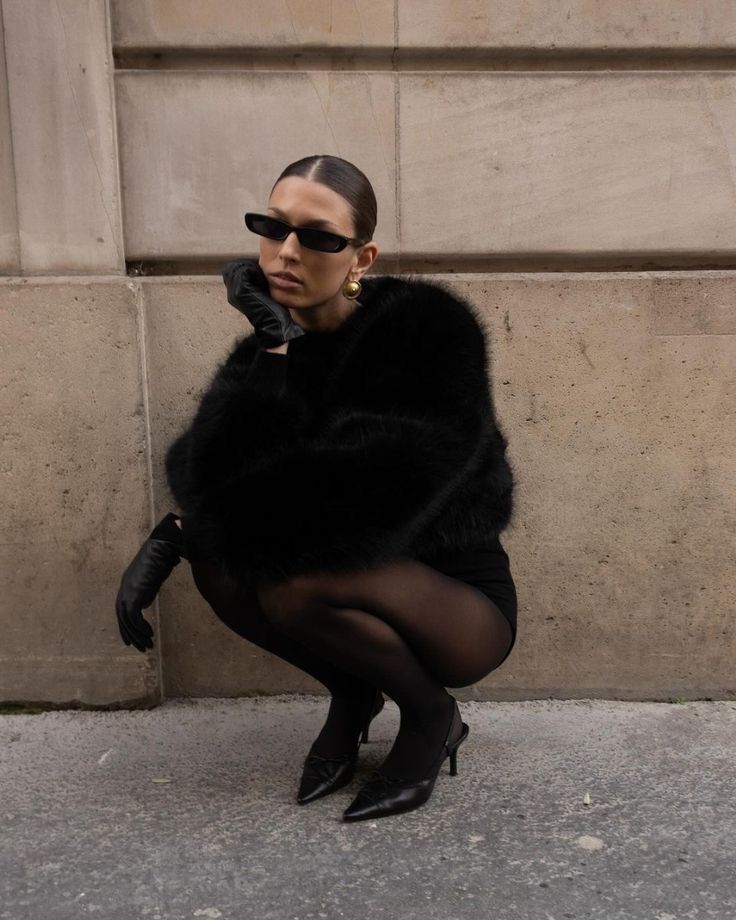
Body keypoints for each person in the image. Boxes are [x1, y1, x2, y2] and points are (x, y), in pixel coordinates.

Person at [115, 154, 518, 822]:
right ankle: (355, 693)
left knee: (292, 579)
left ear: (362, 257)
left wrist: (183, 529)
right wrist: (272, 351)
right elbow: (205, 470)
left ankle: (431, 717)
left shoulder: (427, 331)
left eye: (319, 237)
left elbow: (353, 507)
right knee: (221, 567)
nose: (287, 252)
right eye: (272, 229)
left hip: (457, 607)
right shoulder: (271, 344)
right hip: (346, 569)